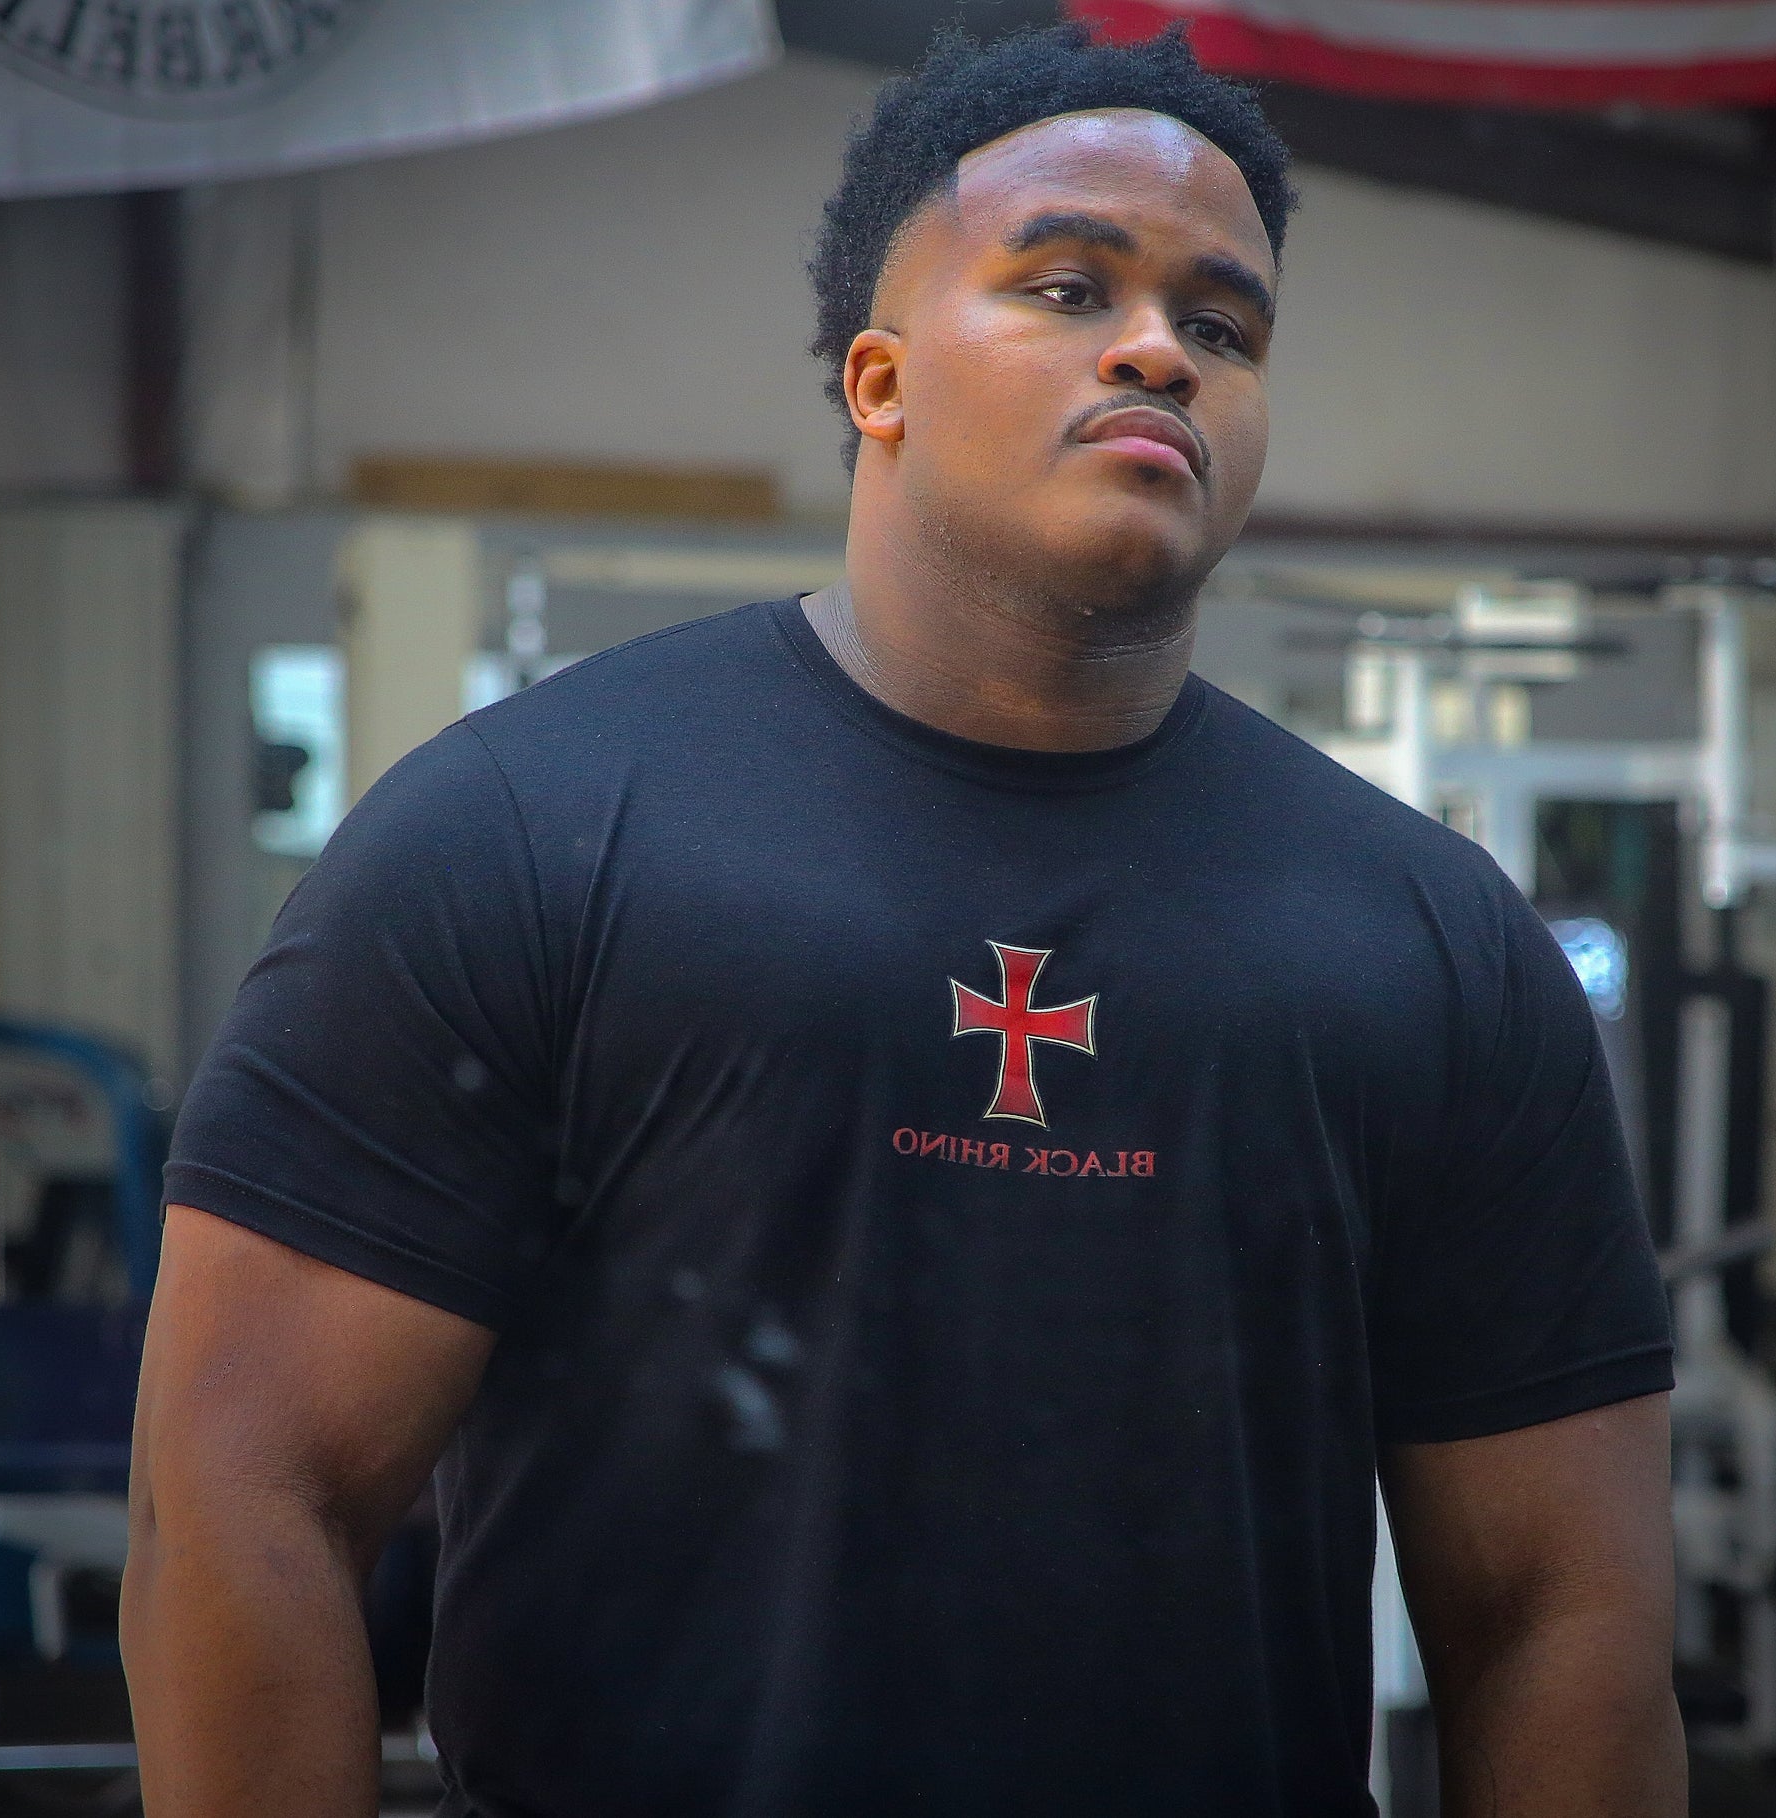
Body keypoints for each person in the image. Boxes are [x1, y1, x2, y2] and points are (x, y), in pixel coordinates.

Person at [122, 25, 1684, 1817]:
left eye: (1223, 324)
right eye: (1068, 285)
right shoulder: (518, 836)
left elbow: (1560, 1615)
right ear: (877, 380)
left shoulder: (1434, 943)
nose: (1159, 349)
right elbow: (243, 1493)